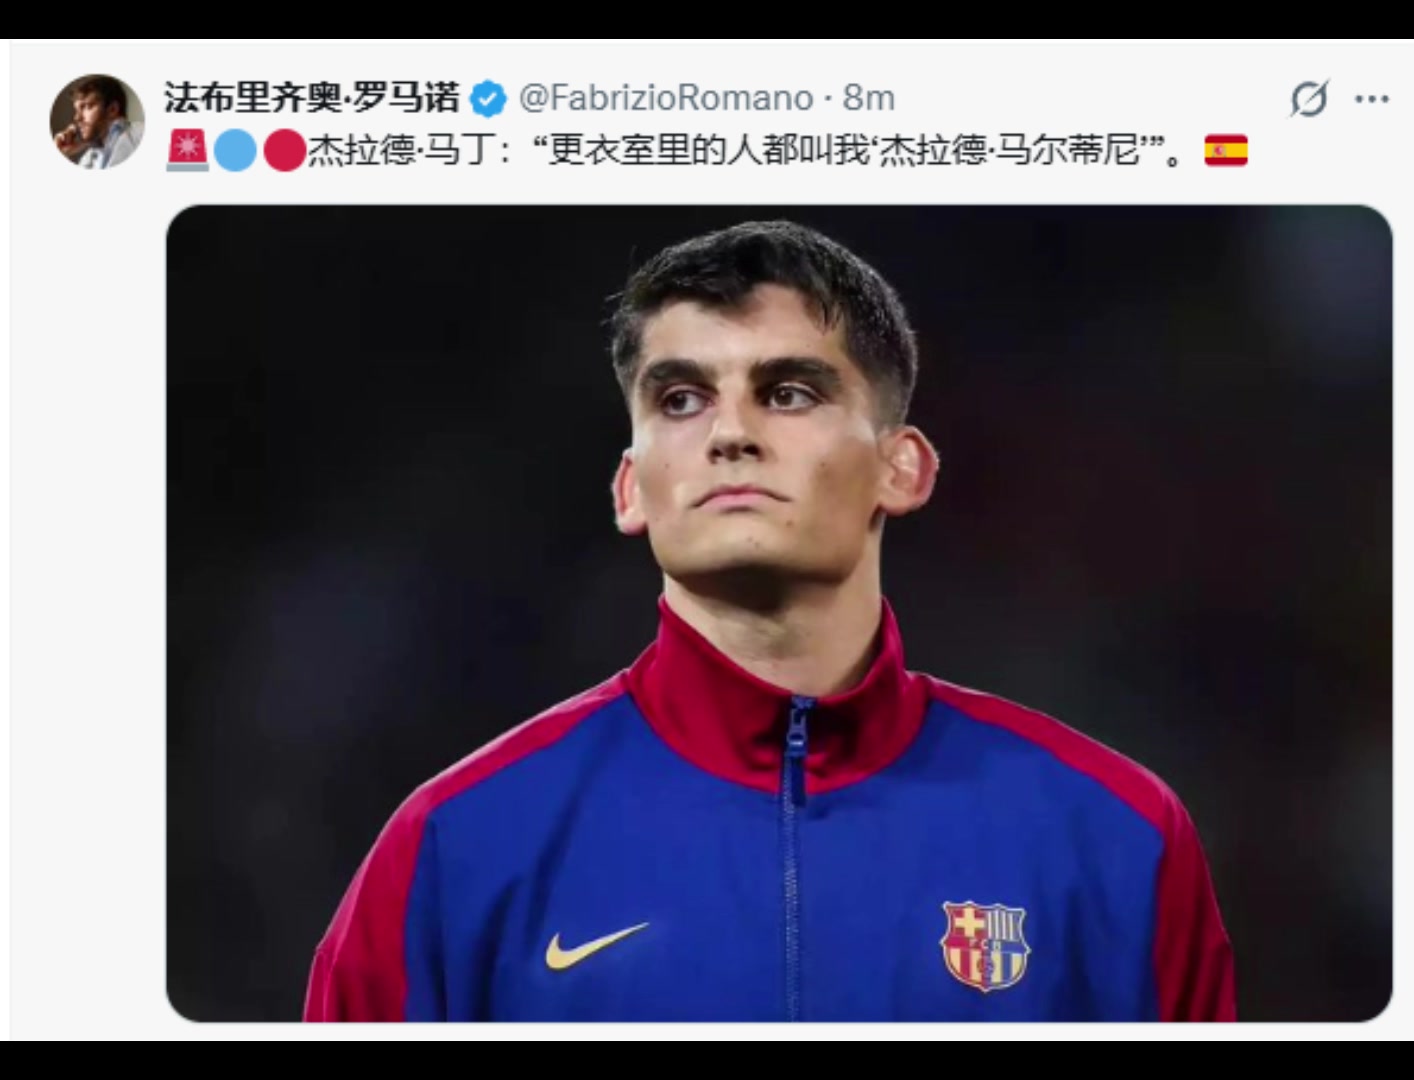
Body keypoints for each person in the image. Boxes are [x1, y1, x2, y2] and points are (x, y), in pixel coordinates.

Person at [303, 220, 1236, 1022]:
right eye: (680, 399)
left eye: (789, 392)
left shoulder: (1114, 837)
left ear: (903, 467)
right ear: (631, 487)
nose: (730, 433)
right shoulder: (457, 846)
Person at [55, 76, 140, 169]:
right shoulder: (88, 158)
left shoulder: (141, 134)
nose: (77, 118)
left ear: (112, 109)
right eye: (77, 110)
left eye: (86, 107)